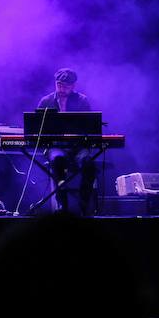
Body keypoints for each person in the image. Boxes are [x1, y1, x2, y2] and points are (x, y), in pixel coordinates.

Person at [36, 67, 96, 213]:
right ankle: (62, 205)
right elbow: (36, 127)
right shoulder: (46, 101)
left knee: (89, 164)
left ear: (73, 86)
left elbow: (89, 127)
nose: (61, 89)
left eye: (65, 86)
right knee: (58, 160)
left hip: (78, 147)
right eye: (59, 85)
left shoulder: (82, 101)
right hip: (56, 147)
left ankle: (84, 202)